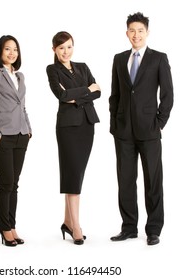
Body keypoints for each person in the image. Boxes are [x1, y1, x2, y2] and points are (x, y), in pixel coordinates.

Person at [109, 12, 174, 245]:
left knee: (153, 181)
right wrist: (114, 124)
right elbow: (114, 95)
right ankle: (129, 227)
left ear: (147, 32)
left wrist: (159, 123)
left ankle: (154, 229)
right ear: (127, 33)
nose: (136, 35)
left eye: (140, 30)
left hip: (149, 130)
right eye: (132, 31)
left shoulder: (158, 58)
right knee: (125, 180)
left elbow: (167, 95)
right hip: (123, 131)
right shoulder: (118, 59)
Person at [46, 31, 101, 245]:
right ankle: (76, 226)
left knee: (78, 172)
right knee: (72, 171)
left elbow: (98, 92)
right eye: (61, 48)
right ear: (54, 50)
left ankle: (68, 221)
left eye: (69, 47)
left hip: (87, 125)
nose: (66, 51)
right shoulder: (52, 70)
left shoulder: (83, 67)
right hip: (68, 127)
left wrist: (77, 95)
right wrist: (86, 90)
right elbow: (61, 96)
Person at [0, 35, 32, 247]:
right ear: (0, 52)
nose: (12, 53)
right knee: (6, 182)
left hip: (21, 135)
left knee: (15, 185)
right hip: (3, 136)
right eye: (7, 49)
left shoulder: (20, 76)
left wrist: (29, 128)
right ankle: (4, 228)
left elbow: (23, 105)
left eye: (15, 49)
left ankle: (12, 226)